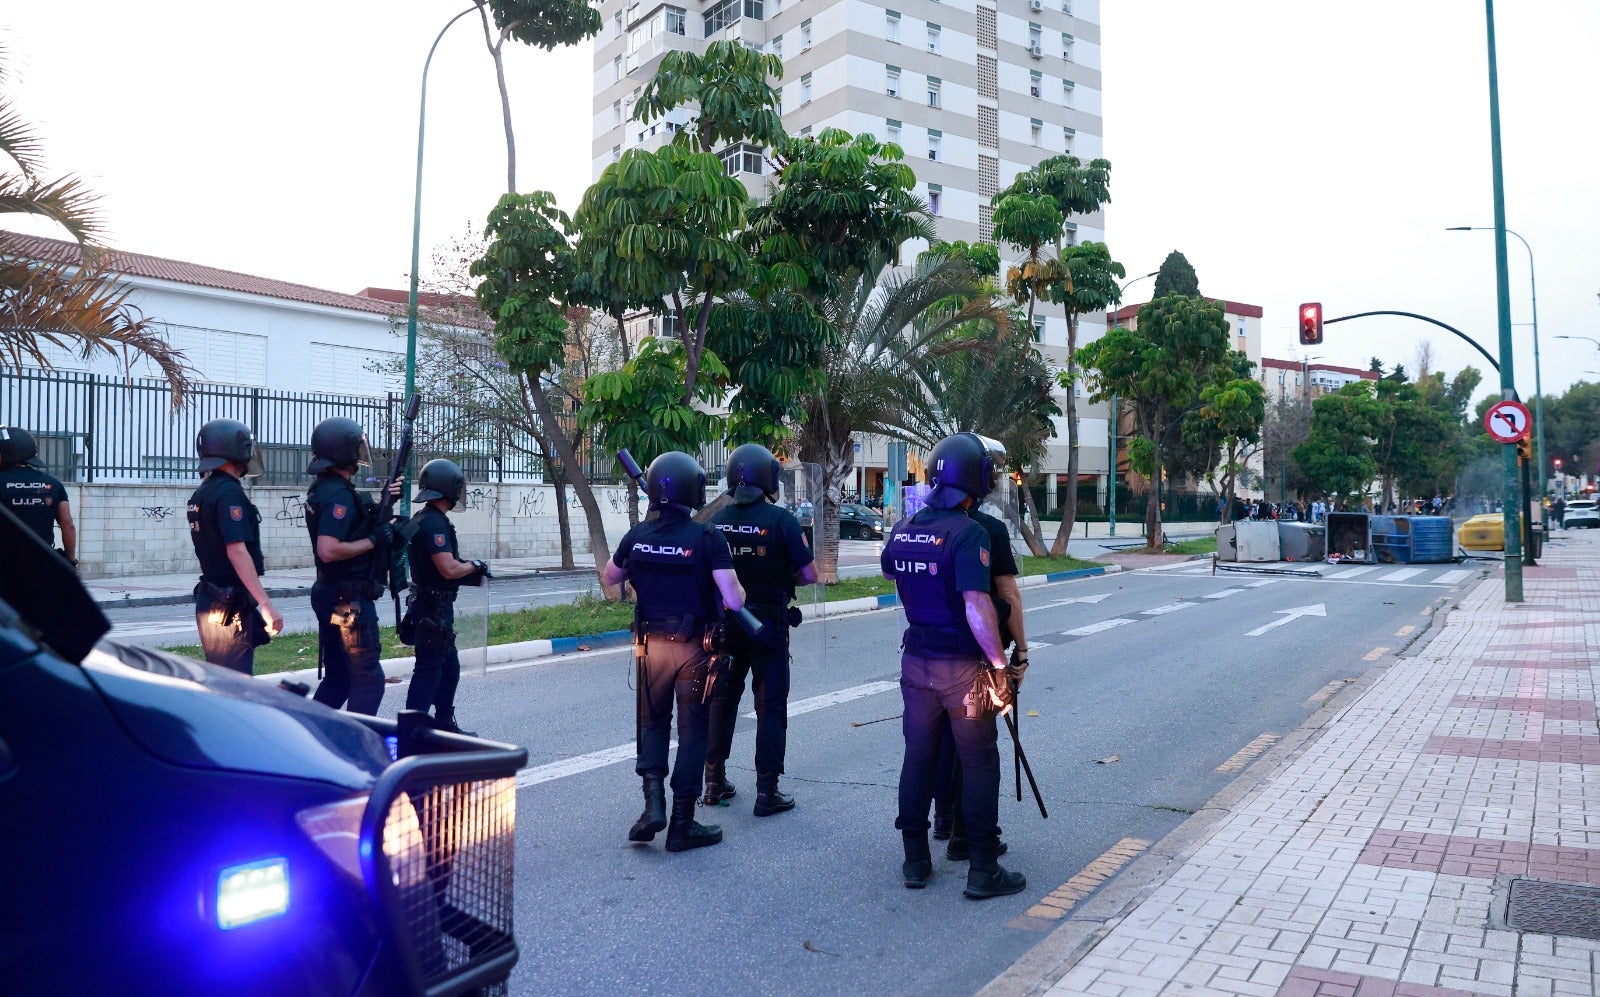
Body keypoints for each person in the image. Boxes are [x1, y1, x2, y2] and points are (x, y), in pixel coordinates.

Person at [882, 432, 1026, 900]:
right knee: (980, 760)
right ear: (976, 479)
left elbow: (889, 568)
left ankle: (915, 860)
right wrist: (1000, 663)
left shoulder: (905, 529)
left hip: (916, 665)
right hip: (962, 668)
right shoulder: (971, 533)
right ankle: (983, 868)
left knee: (918, 758)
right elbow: (977, 605)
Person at [602, 451, 746, 853]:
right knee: (693, 731)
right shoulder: (706, 538)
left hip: (651, 648)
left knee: (652, 726)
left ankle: (652, 806)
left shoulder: (637, 536)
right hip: (694, 649)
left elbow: (610, 577)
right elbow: (734, 601)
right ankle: (682, 823)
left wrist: (642, 573)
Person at [705, 443, 819, 816]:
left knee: (722, 701)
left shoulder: (716, 522)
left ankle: (713, 781)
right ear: (768, 478)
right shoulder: (781, 520)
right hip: (767, 624)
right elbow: (809, 573)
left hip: (726, 623)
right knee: (770, 707)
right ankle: (766, 791)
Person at [932, 434, 1026, 865]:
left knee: (938, 744)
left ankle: (943, 820)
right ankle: (968, 839)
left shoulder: (921, 526)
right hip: (976, 655)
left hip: (927, 653)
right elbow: (1007, 595)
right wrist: (1017, 655)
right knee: (976, 748)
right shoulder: (987, 530)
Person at [304, 416, 394, 716]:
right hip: (348, 601)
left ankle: (309, 738)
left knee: (339, 678)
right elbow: (328, 549)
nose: (360, 454)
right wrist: (373, 541)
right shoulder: (338, 494)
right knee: (368, 680)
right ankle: (356, 750)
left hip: (331, 591)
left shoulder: (323, 488)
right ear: (345, 451)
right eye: (356, 447)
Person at [186, 419, 283, 673]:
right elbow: (236, 551)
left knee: (223, 686)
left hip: (212, 600)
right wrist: (266, 604)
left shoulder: (203, 491)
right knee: (236, 690)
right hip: (229, 606)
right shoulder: (229, 493)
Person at [403, 458, 490, 734]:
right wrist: (475, 566)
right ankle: (411, 733)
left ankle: (442, 725)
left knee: (448, 667)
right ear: (448, 488)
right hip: (433, 608)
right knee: (429, 671)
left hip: (432, 607)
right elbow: (448, 568)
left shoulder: (425, 519)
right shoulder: (434, 524)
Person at [0, 426, 76, 567]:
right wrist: (71, 560)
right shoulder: (54, 484)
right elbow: (68, 524)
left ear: (7, 453)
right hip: (42, 563)